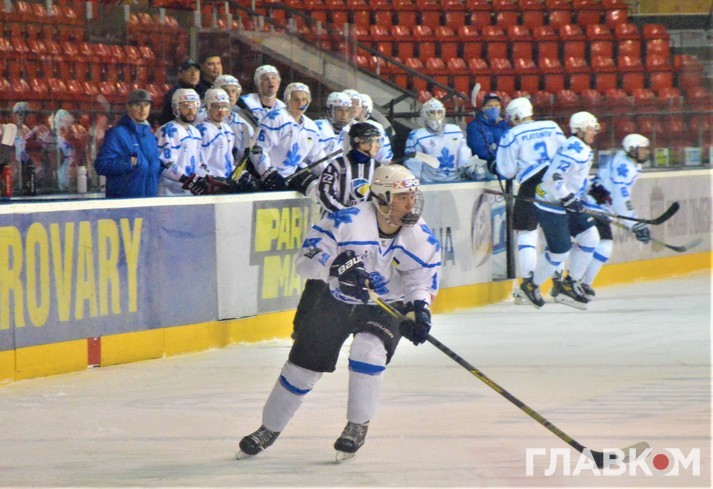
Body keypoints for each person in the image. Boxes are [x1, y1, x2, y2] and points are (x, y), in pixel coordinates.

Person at [237, 164, 441, 461]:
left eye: (412, 196)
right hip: (336, 300)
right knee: (303, 367)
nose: (410, 204)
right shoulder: (345, 221)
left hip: (386, 305)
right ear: (382, 197)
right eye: (402, 197)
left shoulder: (420, 234)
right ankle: (268, 428)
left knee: (368, 351)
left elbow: (419, 281)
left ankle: (357, 426)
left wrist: (418, 311)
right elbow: (306, 262)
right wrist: (336, 267)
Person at [519, 111, 601, 310]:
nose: (594, 132)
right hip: (551, 204)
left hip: (565, 203)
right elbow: (554, 176)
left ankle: (569, 283)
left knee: (590, 237)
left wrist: (582, 197)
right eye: (590, 128)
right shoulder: (573, 151)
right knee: (560, 251)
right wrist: (566, 197)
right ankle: (530, 286)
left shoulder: (581, 147)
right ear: (579, 130)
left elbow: (574, 179)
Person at [494, 97, 567, 302]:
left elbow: (506, 171)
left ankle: (528, 286)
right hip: (556, 182)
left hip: (531, 183)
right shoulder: (552, 126)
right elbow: (566, 154)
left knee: (526, 234)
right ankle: (559, 282)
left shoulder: (512, 134)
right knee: (554, 233)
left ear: (515, 116)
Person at [581, 134, 652, 299]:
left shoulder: (626, 161)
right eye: (641, 149)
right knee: (603, 245)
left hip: (595, 203)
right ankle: (579, 283)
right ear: (631, 149)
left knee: (592, 244)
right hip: (592, 205)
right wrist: (634, 224)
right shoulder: (624, 167)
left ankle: (575, 282)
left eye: (645, 149)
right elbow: (621, 198)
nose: (645, 152)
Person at [94, 89, 161, 198]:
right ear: (128, 107)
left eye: (146, 105)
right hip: (124, 204)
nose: (143, 109)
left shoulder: (151, 136)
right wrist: (129, 162)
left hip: (149, 202)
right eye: (137, 105)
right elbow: (101, 165)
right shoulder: (116, 134)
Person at [403, 98, 475, 183]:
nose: (436, 116)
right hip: (429, 184)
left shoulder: (455, 131)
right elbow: (413, 165)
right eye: (432, 112)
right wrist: (415, 183)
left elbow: (464, 156)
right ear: (424, 114)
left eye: (439, 112)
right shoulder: (416, 136)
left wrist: (471, 169)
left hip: (455, 182)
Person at [318, 122, 381, 215]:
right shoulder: (337, 165)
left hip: (364, 222)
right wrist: (345, 213)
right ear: (361, 142)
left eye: (377, 141)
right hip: (334, 222)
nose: (377, 146)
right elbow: (324, 193)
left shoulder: (378, 168)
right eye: (374, 141)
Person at [156, 88, 202, 196]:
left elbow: (198, 163)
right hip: (169, 194)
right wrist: (186, 179)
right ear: (176, 108)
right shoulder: (167, 130)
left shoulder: (196, 132)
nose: (191, 111)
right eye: (186, 106)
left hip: (190, 193)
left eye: (194, 106)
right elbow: (164, 164)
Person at [466, 92, 510, 177]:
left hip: (506, 167)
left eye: (497, 105)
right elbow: (480, 150)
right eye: (490, 106)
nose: (494, 108)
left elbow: (510, 144)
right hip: (485, 169)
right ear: (483, 108)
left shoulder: (503, 124)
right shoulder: (474, 126)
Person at [341, 92, 393, 164]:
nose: (354, 107)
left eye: (357, 104)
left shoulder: (374, 126)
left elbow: (384, 156)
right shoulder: (341, 127)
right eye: (352, 104)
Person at [212, 74, 254, 159]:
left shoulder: (244, 124)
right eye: (226, 91)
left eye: (233, 91)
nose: (230, 95)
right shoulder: (202, 117)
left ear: (237, 95)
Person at [159, 59, 201, 126]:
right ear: (180, 74)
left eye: (196, 70)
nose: (193, 74)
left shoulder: (200, 90)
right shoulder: (175, 93)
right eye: (189, 70)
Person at [315, 91, 352, 156]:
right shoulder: (319, 127)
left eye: (347, 110)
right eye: (339, 110)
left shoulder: (347, 130)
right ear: (330, 111)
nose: (344, 114)